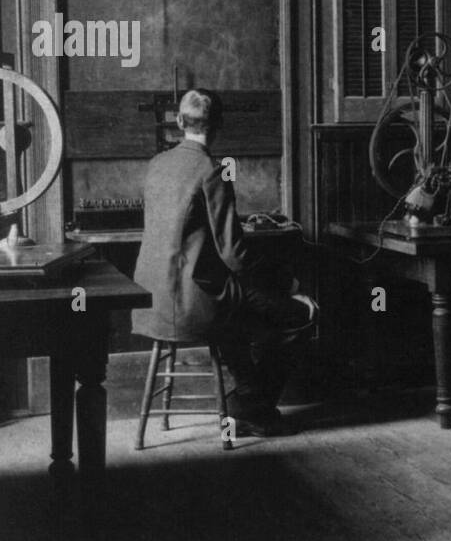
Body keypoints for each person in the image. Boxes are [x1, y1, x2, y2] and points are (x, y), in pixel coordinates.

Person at [132, 89, 315, 438]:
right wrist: (289, 286)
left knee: (239, 313)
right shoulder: (212, 171)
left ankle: (247, 403)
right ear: (217, 126)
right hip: (193, 302)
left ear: (179, 121)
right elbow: (234, 254)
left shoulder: (156, 165)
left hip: (151, 299)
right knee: (299, 315)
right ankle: (248, 408)